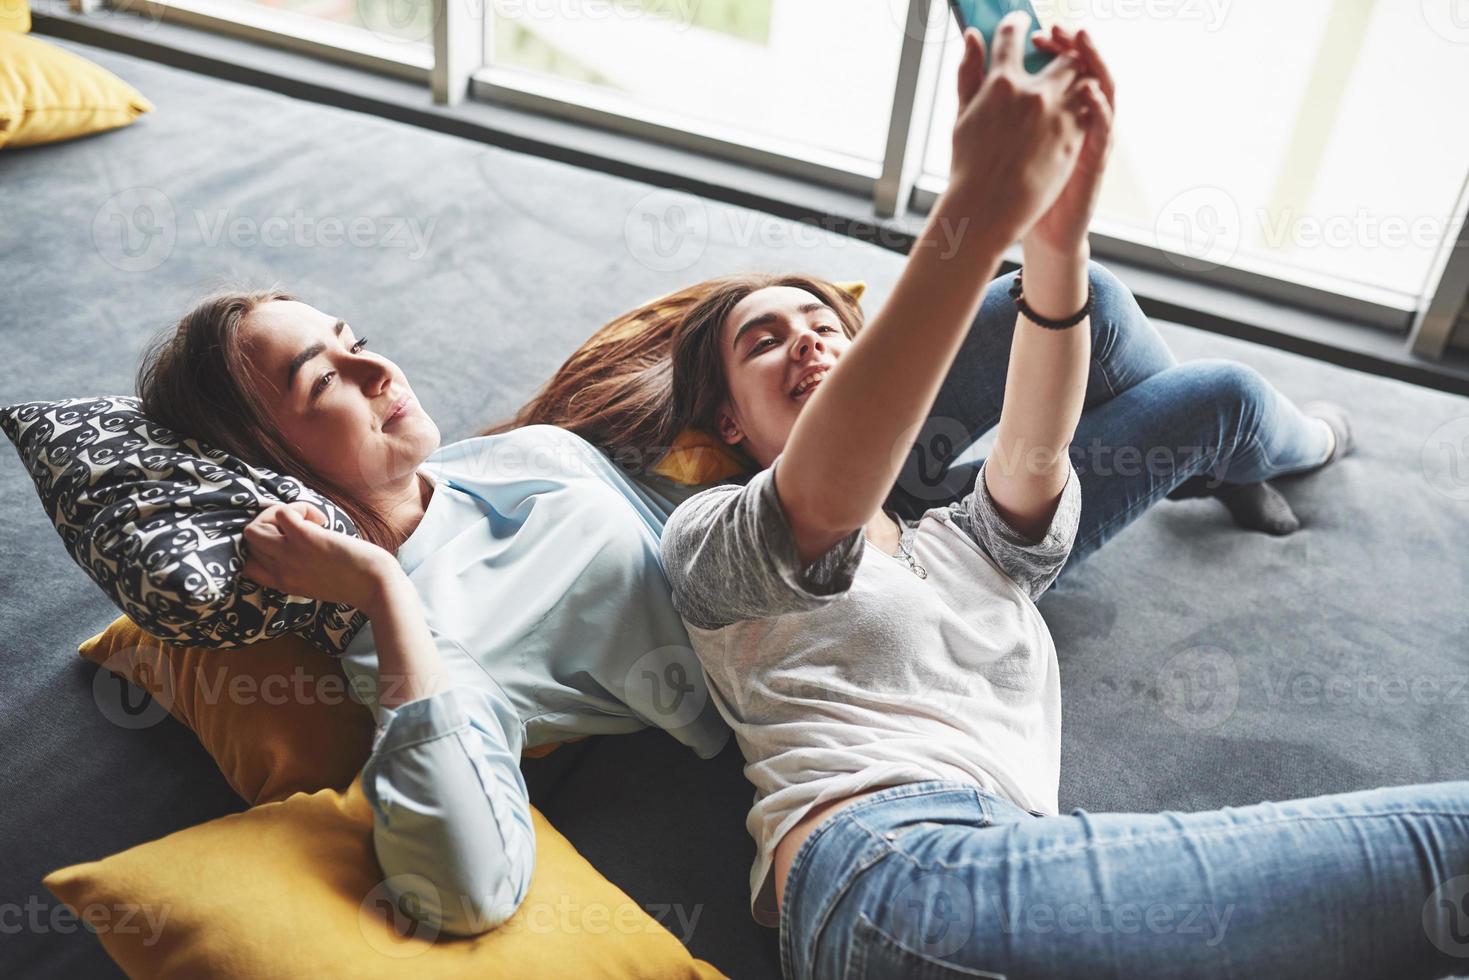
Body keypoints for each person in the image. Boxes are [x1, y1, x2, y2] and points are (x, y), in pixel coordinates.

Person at [657, 17, 1467, 980]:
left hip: (973, 867)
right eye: (764, 341)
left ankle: (1295, 445)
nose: (807, 342)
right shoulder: (706, 538)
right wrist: (977, 206)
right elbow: (824, 502)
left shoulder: (956, 541)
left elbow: (1037, 447)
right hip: (892, 871)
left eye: (826, 324)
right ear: (731, 427)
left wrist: (1058, 238)